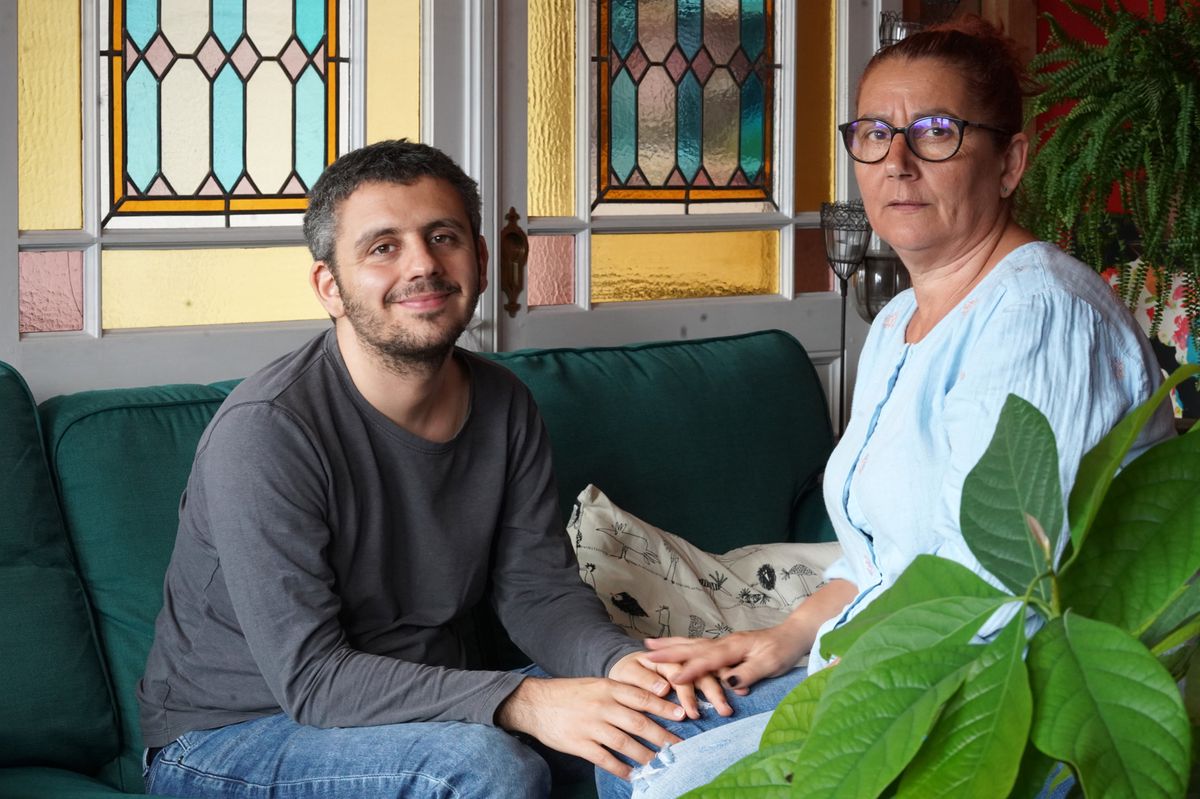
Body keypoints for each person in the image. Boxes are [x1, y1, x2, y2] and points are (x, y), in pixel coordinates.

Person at [596, 17, 1177, 799]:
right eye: (873, 132)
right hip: (887, 660)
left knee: (671, 782)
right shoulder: (898, 324)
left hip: (991, 691)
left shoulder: (1038, 312)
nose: (897, 162)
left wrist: (834, 703)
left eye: (936, 132)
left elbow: (994, 593)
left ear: (1009, 162)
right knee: (631, 739)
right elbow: (883, 559)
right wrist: (778, 640)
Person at [136, 139, 802, 799]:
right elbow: (313, 679)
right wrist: (523, 698)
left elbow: (537, 592)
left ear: (480, 260)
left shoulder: (503, 403)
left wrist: (621, 666)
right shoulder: (267, 431)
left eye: (443, 236)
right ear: (329, 286)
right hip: (234, 735)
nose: (423, 265)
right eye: (382, 247)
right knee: (485, 765)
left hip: (429, 708)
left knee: (680, 716)